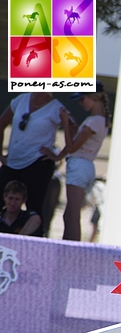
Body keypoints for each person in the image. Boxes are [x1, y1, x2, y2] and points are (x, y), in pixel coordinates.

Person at [40, 82, 110, 241]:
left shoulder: (93, 122)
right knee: (68, 215)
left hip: (79, 166)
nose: (80, 103)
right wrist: (57, 157)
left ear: (93, 97)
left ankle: (73, 252)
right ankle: (67, 249)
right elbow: (76, 144)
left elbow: (72, 147)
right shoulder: (99, 120)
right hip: (82, 165)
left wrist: (65, 122)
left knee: (72, 215)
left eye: (82, 98)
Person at [0, 92, 67, 236]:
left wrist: (59, 155)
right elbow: (2, 123)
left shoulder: (56, 107)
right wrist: (1, 155)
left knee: (35, 207)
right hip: (13, 160)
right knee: (5, 198)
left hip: (38, 162)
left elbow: (73, 130)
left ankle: (32, 243)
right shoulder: (21, 99)